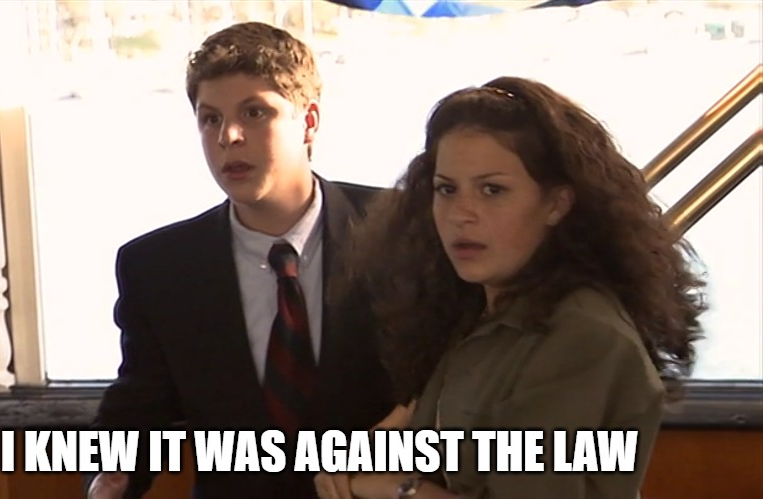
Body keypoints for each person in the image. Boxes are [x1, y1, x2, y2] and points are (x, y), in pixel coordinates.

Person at [314, 77, 707, 499]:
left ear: (556, 204)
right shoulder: (477, 314)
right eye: (447, 189)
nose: (461, 214)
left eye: (492, 190)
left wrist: (400, 490)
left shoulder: (582, 337)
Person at [86, 22, 396, 499]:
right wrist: (110, 481)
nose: (228, 136)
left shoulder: (398, 230)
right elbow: (138, 411)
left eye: (254, 113)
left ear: (309, 121)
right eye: (210, 119)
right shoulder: (159, 268)